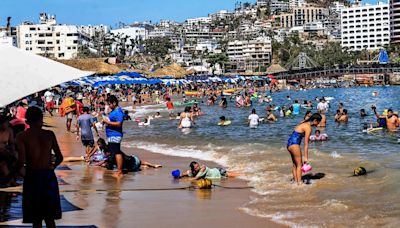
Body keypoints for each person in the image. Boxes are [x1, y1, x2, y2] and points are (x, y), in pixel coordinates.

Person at [16, 106, 63, 228]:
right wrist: (52, 167)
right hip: (48, 176)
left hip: (32, 175)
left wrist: (21, 173)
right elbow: (59, 157)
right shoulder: (49, 134)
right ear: (41, 119)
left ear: (27, 121)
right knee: (49, 217)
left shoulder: (22, 136)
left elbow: (21, 162)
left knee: (36, 218)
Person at [287, 113, 322, 185]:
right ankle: (299, 184)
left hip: (289, 144)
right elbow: (306, 144)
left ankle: (295, 181)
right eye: (318, 122)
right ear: (315, 120)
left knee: (295, 164)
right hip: (295, 144)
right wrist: (306, 158)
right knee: (299, 165)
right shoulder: (308, 127)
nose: (318, 124)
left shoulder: (304, 123)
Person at [102, 95, 125, 178]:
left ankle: (119, 171)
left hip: (115, 134)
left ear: (114, 103)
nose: (109, 106)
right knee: (114, 152)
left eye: (110, 104)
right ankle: (118, 169)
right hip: (111, 134)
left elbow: (119, 124)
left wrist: (107, 122)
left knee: (117, 152)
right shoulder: (114, 111)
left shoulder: (118, 111)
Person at [0, 115, 16, 187]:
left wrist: (12, 151)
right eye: (6, 123)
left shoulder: (9, 131)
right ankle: (11, 181)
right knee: (3, 164)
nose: (7, 124)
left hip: (5, 152)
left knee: (16, 159)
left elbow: (12, 144)